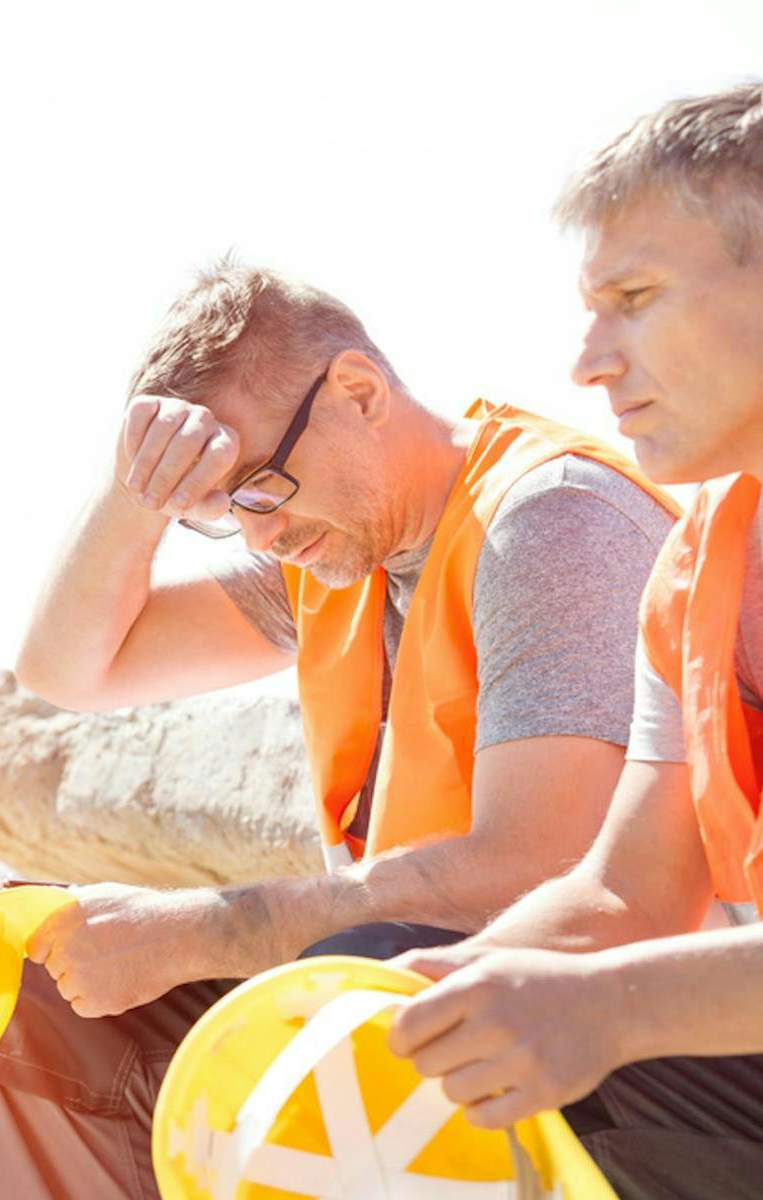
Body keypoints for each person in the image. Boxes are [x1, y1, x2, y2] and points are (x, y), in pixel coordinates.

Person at [0, 260, 679, 1198]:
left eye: (261, 486)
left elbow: (541, 869)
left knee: (352, 971)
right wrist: (130, 495)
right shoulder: (332, 556)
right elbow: (67, 670)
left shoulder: (553, 519)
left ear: (358, 392)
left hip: (624, 1039)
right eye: (220, 511)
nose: (261, 535)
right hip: (424, 987)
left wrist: (205, 930)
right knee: (54, 982)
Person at [387, 82, 763, 1200]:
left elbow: (618, 984)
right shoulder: (695, 568)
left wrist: (606, 1011)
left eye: (632, 299)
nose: (588, 362)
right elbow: (626, 896)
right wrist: (433, 992)